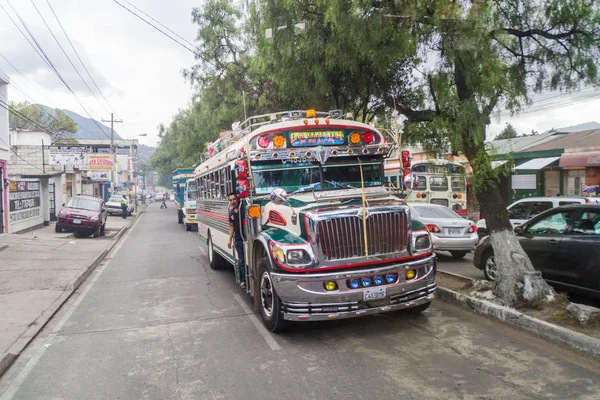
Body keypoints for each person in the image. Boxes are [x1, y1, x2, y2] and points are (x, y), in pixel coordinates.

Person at [227, 192, 245, 288]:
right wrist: (229, 240)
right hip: (238, 239)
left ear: (237, 199)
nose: (233, 201)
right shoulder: (232, 213)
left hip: (246, 238)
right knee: (241, 261)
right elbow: (231, 227)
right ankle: (244, 280)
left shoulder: (244, 209)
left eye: (234, 199)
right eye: (230, 200)